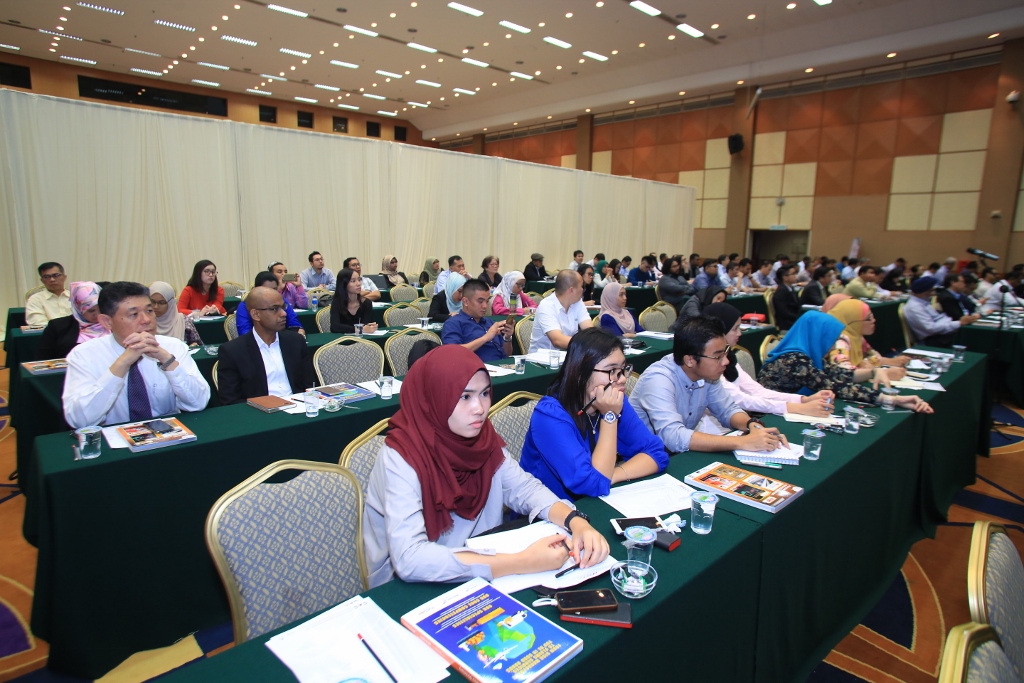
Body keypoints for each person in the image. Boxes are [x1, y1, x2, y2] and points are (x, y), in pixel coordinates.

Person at [362, 344, 610, 587]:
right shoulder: (400, 456)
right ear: (435, 398)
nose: (480, 409)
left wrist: (576, 522)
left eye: (484, 393)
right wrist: (522, 561)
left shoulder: (482, 438)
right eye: (465, 396)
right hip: (412, 587)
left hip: (486, 564)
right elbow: (410, 559)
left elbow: (525, 489)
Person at [520, 328, 668, 498]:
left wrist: (613, 475)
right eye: (612, 371)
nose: (622, 379)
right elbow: (591, 484)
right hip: (551, 509)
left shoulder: (614, 401)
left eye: (623, 369)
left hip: (596, 500)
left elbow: (657, 453)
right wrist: (609, 416)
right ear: (580, 374)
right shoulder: (550, 416)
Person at [629, 315, 793, 453]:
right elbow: (673, 437)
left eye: (725, 353)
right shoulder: (659, 380)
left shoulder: (706, 374)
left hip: (679, 454)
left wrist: (752, 425)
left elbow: (727, 410)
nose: (726, 361)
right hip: (643, 458)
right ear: (690, 360)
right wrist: (742, 442)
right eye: (718, 356)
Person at [63, 281, 210, 428]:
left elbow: (199, 403)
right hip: (112, 437)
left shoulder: (173, 347)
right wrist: (122, 363)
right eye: (133, 314)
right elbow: (79, 420)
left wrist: (167, 360)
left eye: (149, 311)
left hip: (167, 434)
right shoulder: (84, 355)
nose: (146, 320)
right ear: (107, 321)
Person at [698, 303, 833, 432]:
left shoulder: (729, 359)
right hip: (713, 432)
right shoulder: (706, 366)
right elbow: (741, 400)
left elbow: (758, 391)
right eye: (735, 329)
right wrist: (797, 408)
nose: (739, 333)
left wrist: (803, 400)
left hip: (736, 427)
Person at [758, 311, 932, 411]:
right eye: (830, 340)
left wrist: (874, 371)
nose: (833, 346)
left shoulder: (806, 356)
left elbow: (841, 374)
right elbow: (835, 386)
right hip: (772, 416)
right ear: (816, 336)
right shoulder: (794, 360)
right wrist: (893, 399)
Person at [216, 287, 316, 405]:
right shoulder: (232, 351)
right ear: (256, 314)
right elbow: (231, 401)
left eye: (283, 307)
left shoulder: (296, 342)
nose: (283, 313)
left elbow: (309, 386)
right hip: (259, 412)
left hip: (299, 407)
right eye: (274, 309)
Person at [825, 299, 908, 376]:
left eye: (872, 316)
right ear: (853, 322)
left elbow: (872, 356)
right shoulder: (841, 341)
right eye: (869, 318)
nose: (874, 320)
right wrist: (882, 373)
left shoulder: (856, 336)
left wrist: (890, 361)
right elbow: (843, 372)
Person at [442, 279, 513, 362]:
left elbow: (507, 355)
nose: (485, 306)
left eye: (487, 301)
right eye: (480, 301)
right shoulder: (453, 324)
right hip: (477, 369)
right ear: (465, 301)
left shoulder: (489, 322)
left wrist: (507, 338)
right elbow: (452, 353)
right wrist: (485, 338)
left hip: (501, 367)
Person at [38, 281, 109, 360]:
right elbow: (43, 358)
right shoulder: (58, 326)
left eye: (101, 309)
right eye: (91, 311)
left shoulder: (112, 324)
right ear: (79, 309)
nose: (98, 314)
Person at [528, 270, 593, 352]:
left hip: (567, 354)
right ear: (571, 290)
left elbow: (589, 329)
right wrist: (586, 344)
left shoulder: (577, 302)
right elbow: (557, 340)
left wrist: (593, 341)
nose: (583, 289)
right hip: (542, 358)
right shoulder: (547, 305)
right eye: (581, 286)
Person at [903, 276, 979, 346]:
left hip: (942, 335)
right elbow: (931, 328)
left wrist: (956, 323)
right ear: (924, 292)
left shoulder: (924, 302)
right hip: (934, 340)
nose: (933, 294)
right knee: (972, 339)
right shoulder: (914, 307)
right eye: (931, 291)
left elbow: (941, 319)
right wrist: (959, 323)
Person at [235, 272, 307, 338]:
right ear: (256, 289)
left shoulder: (282, 301)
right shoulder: (244, 306)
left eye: (274, 289)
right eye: (267, 289)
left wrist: (300, 334)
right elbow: (245, 333)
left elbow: (295, 324)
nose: (272, 293)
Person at [149, 281, 203, 347]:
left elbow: (198, 346)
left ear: (171, 303)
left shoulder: (183, 321)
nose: (156, 306)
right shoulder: (144, 322)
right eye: (152, 302)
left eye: (161, 303)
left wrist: (193, 346)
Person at [330, 268, 380, 334]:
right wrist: (358, 329)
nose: (358, 284)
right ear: (344, 284)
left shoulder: (366, 303)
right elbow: (334, 327)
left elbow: (365, 325)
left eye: (359, 280)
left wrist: (370, 327)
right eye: (353, 281)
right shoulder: (336, 302)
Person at [26, 262, 72, 327]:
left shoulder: (75, 296)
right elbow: (37, 323)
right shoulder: (35, 299)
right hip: (49, 332)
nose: (52, 279)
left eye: (56, 275)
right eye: (46, 277)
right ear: (42, 280)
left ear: (64, 277)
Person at [771, 264, 802, 331]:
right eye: (793, 274)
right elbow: (784, 313)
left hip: (794, 320)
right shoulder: (780, 292)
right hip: (786, 324)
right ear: (785, 278)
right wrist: (799, 317)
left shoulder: (791, 288)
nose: (795, 276)